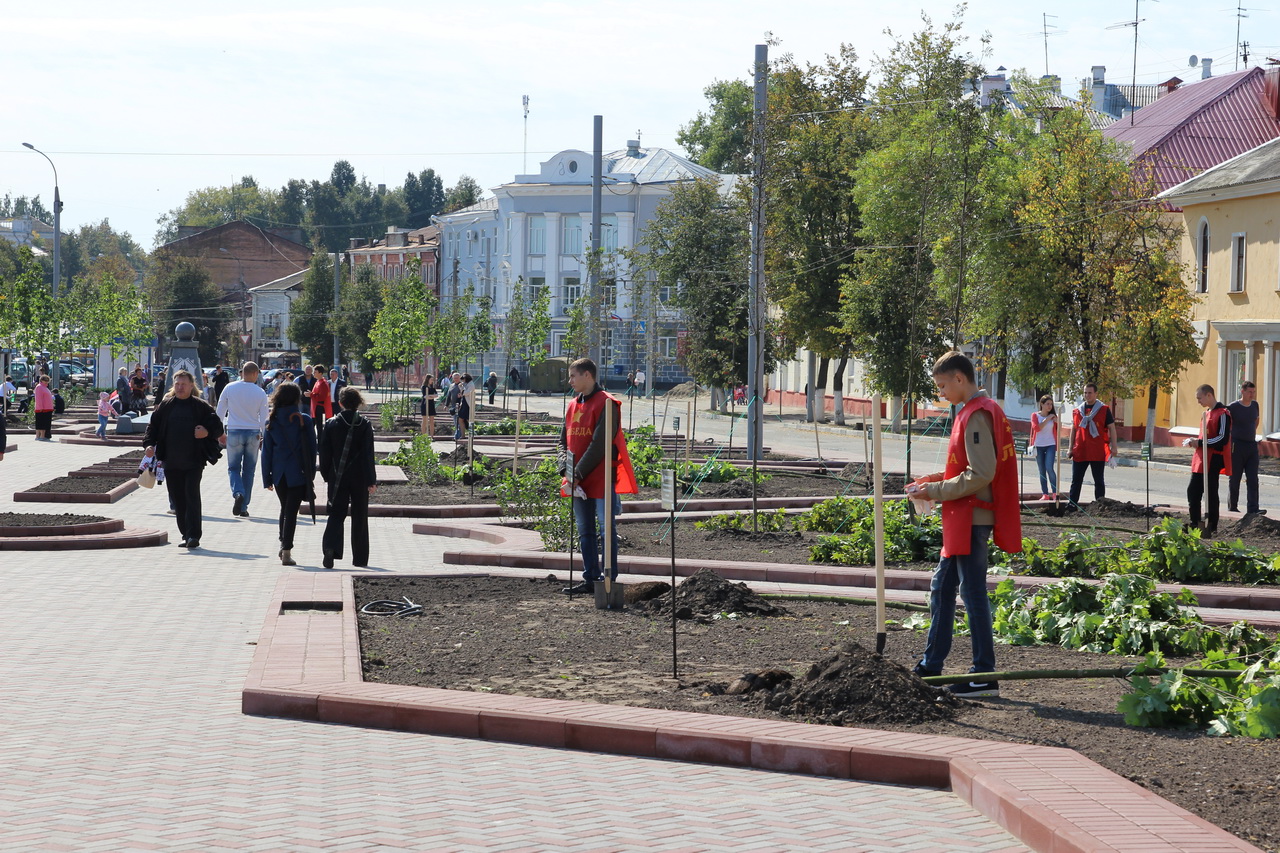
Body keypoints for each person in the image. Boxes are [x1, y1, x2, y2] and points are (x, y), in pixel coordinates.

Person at [906, 352, 1022, 698]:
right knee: (942, 588)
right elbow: (967, 470)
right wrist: (931, 482)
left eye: (942, 385)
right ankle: (931, 666)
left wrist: (936, 490)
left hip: (972, 517)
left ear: (960, 378)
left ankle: (983, 674)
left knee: (971, 594)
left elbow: (981, 473)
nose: (940, 393)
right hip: (964, 516)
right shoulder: (975, 411)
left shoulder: (975, 415)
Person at [559, 357, 639, 596]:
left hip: (600, 478)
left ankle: (608, 580)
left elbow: (599, 445)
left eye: (573, 375)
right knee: (585, 530)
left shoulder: (607, 403)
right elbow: (562, 442)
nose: (570, 380)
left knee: (606, 529)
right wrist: (565, 469)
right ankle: (590, 577)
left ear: (588, 375)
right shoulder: (573, 404)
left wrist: (577, 473)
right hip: (577, 480)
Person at [142, 370, 225, 549]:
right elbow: (153, 427)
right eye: (177, 384)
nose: (180, 387)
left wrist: (207, 432)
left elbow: (217, 427)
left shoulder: (200, 406)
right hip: (170, 461)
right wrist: (149, 445)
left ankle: (194, 535)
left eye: (183, 384)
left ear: (191, 386)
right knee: (178, 499)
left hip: (194, 461)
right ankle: (185, 533)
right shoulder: (166, 406)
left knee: (191, 496)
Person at [319, 387, 377, 568]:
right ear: (358, 403)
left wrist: (327, 473)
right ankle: (360, 559)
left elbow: (324, 453)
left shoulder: (331, 423)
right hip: (359, 477)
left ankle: (330, 548)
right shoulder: (365, 424)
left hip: (337, 475)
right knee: (360, 515)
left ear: (341, 403)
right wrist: (371, 480)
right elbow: (369, 455)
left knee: (336, 513)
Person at [261, 382, 317, 566]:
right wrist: (311, 474)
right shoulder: (304, 420)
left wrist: (266, 478)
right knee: (291, 511)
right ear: (296, 398)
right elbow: (311, 449)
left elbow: (267, 452)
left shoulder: (272, 421)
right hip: (298, 473)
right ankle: (286, 550)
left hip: (278, 474)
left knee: (285, 508)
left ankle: (282, 543)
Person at [217, 362, 271, 519]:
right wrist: (263, 435)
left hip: (234, 431)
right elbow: (264, 418)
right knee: (249, 470)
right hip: (253, 432)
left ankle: (238, 493)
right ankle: (244, 506)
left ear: (242, 373)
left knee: (233, 468)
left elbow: (220, 412)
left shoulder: (229, 388)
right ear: (255, 374)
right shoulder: (260, 392)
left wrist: (219, 432)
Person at [1183, 384, 1233, 537]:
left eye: (1200, 398)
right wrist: (1195, 441)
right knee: (1193, 491)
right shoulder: (1206, 413)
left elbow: (1222, 438)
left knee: (1210, 493)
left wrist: (1201, 443)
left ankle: (1211, 526)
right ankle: (1195, 523)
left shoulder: (1223, 413)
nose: (1198, 401)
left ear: (1209, 395)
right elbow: (1204, 437)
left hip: (1214, 459)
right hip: (1201, 458)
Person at [1067, 382, 1119, 506]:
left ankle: (1100, 505)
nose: (1087, 395)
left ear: (1096, 393)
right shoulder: (1077, 411)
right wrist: (1070, 449)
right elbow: (1074, 430)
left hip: (1097, 451)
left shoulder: (1104, 410)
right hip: (1080, 450)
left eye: (1090, 393)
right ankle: (1072, 504)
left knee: (1099, 480)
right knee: (1076, 480)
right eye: (1085, 392)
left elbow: (1112, 428)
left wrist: (1114, 447)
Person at [1228, 380, 1264, 516]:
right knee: (1235, 477)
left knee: (1253, 478)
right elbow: (1227, 424)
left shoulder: (1255, 405)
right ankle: (1233, 506)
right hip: (1236, 445)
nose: (1252, 394)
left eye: (1253, 392)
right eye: (1249, 392)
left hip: (1251, 445)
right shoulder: (1233, 407)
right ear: (1242, 391)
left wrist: (1251, 432)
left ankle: (1253, 508)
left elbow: (1256, 421)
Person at [1031, 395, 1059, 500]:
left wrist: (1057, 421)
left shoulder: (1053, 416)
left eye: (1051, 404)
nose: (1050, 406)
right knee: (1042, 470)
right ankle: (1045, 494)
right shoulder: (1035, 415)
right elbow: (1037, 428)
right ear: (1041, 404)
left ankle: (1055, 493)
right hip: (1038, 446)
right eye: (1047, 404)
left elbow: (1059, 428)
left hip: (1050, 444)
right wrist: (1047, 419)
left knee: (1049, 468)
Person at [310, 364, 333, 441]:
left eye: (315, 372)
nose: (313, 373)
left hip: (319, 407)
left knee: (319, 427)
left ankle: (320, 444)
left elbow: (321, 397)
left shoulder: (323, 383)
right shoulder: (318, 381)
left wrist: (311, 394)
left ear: (320, 373)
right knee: (316, 426)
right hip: (316, 407)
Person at [33, 374, 55, 441]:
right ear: (41, 380)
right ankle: (40, 436)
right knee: (41, 422)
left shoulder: (45, 387)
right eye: (45, 380)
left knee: (46, 423)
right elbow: (38, 398)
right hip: (42, 409)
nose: (47, 382)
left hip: (48, 408)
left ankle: (44, 435)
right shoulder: (39, 387)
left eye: (47, 381)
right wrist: (40, 407)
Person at [455, 373, 474, 439]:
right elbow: (463, 392)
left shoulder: (471, 384)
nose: (462, 381)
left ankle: (471, 434)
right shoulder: (466, 384)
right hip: (464, 403)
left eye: (463, 380)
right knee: (461, 419)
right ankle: (463, 435)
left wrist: (462, 390)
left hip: (468, 404)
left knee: (469, 419)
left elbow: (466, 392)